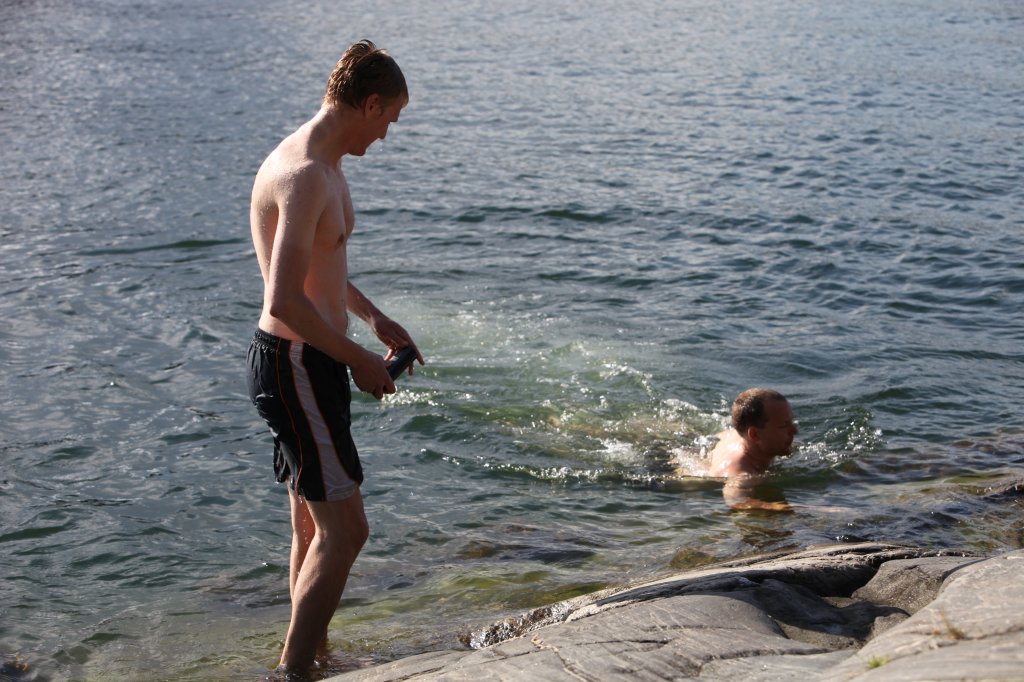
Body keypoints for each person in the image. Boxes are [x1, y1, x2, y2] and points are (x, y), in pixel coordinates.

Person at [245, 39, 423, 676]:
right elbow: (285, 300)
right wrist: (358, 360)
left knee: (312, 527)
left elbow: (320, 267)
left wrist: (373, 319)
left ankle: (311, 655)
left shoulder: (321, 163)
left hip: (301, 360)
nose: (386, 135)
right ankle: (294, 670)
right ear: (369, 104)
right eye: (389, 120)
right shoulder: (304, 174)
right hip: (296, 362)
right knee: (347, 531)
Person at [707, 388, 797, 511]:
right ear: (754, 435)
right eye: (784, 426)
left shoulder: (754, 441)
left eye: (791, 422)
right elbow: (737, 501)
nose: (795, 431)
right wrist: (807, 510)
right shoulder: (740, 473)